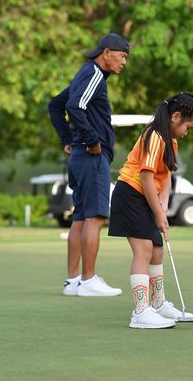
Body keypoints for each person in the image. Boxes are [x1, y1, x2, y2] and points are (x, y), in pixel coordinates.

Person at [109, 92, 193, 329]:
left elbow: (166, 175)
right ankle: (140, 312)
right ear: (176, 117)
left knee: (157, 250)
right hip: (130, 193)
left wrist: (163, 204)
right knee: (144, 249)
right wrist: (159, 214)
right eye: (188, 127)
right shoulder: (154, 136)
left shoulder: (171, 141)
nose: (186, 132)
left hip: (145, 197)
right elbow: (146, 176)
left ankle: (159, 304)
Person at [48, 33, 129, 297]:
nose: (124, 62)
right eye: (122, 56)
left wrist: (67, 139)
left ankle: (73, 281)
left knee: (81, 217)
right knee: (94, 217)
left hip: (79, 156)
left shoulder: (87, 74)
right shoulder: (94, 73)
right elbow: (74, 106)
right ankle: (89, 279)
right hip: (92, 156)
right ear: (106, 52)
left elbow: (55, 105)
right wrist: (91, 140)